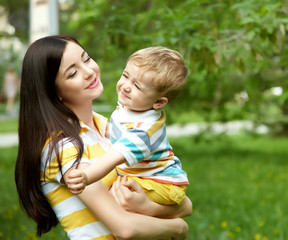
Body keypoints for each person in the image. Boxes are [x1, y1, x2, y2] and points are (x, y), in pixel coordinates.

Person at [15, 35, 192, 240]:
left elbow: (185, 204)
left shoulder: (107, 125)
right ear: (53, 92)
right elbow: (126, 229)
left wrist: (147, 206)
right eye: (73, 73)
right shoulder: (61, 146)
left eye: (87, 58)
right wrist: (179, 228)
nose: (89, 71)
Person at [66, 46, 189, 206]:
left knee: (117, 195)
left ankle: (146, 216)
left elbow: (113, 159)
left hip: (162, 184)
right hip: (146, 176)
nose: (126, 86)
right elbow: (120, 127)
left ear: (158, 102)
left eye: (137, 86)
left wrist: (87, 176)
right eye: (125, 76)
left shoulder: (144, 131)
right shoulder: (135, 106)